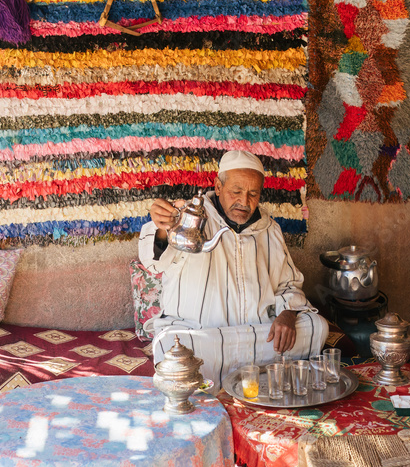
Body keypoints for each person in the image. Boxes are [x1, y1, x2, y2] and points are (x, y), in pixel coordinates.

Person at [138, 150, 329, 386]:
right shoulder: (189, 217)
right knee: (171, 346)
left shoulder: (269, 229)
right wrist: (161, 228)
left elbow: (288, 284)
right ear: (218, 187)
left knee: (316, 326)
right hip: (199, 335)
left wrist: (288, 314)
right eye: (236, 192)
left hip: (257, 333)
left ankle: (234, 370)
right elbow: (153, 262)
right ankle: (258, 374)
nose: (244, 202)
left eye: (253, 194)